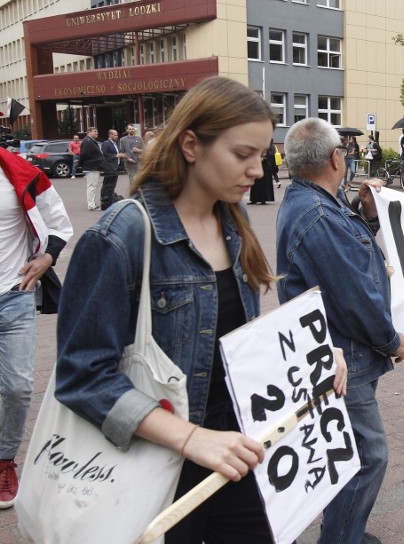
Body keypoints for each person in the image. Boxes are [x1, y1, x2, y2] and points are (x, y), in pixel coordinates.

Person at [54, 77, 346, 543]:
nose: (257, 169)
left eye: (262, 154)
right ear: (191, 144)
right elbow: (81, 374)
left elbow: (225, 335)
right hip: (158, 463)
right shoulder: (120, 235)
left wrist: (313, 353)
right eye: (241, 154)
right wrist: (191, 439)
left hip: (236, 446)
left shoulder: (234, 218)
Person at [276, 117, 404, 544]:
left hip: (337, 350)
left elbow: (347, 254)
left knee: (350, 450)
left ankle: (344, 529)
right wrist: (390, 341)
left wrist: (367, 215)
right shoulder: (318, 214)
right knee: (369, 456)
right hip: (343, 355)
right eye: (345, 153)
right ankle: (340, 538)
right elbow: (354, 296)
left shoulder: (315, 202)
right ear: (336, 158)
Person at [0, 148, 73, 509]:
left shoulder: (20, 172)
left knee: (16, 387)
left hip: (14, 296)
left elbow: (59, 222)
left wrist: (48, 257)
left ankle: (4, 459)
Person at [100, 129, 126, 210]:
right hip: (109, 167)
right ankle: (104, 200)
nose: (117, 136)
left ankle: (110, 199)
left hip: (115, 167)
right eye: (115, 135)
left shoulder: (116, 144)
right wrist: (116, 156)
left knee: (112, 184)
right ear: (110, 135)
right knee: (107, 184)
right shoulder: (106, 143)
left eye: (117, 135)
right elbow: (104, 155)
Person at [79, 126, 104, 211]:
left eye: (97, 132)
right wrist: (81, 164)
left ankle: (92, 203)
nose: (96, 133)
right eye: (94, 131)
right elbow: (83, 154)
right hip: (91, 167)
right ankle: (91, 205)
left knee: (92, 186)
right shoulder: (88, 141)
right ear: (89, 132)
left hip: (93, 166)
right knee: (92, 186)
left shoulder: (90, 141)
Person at [249, 140, 277, 205]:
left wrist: (264, 157)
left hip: (266, 166)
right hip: (258, 165)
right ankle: (254, 199)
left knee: (264, 183)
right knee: (255, 183)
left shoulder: (271, 146)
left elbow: (271, 154)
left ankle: (263, 199)